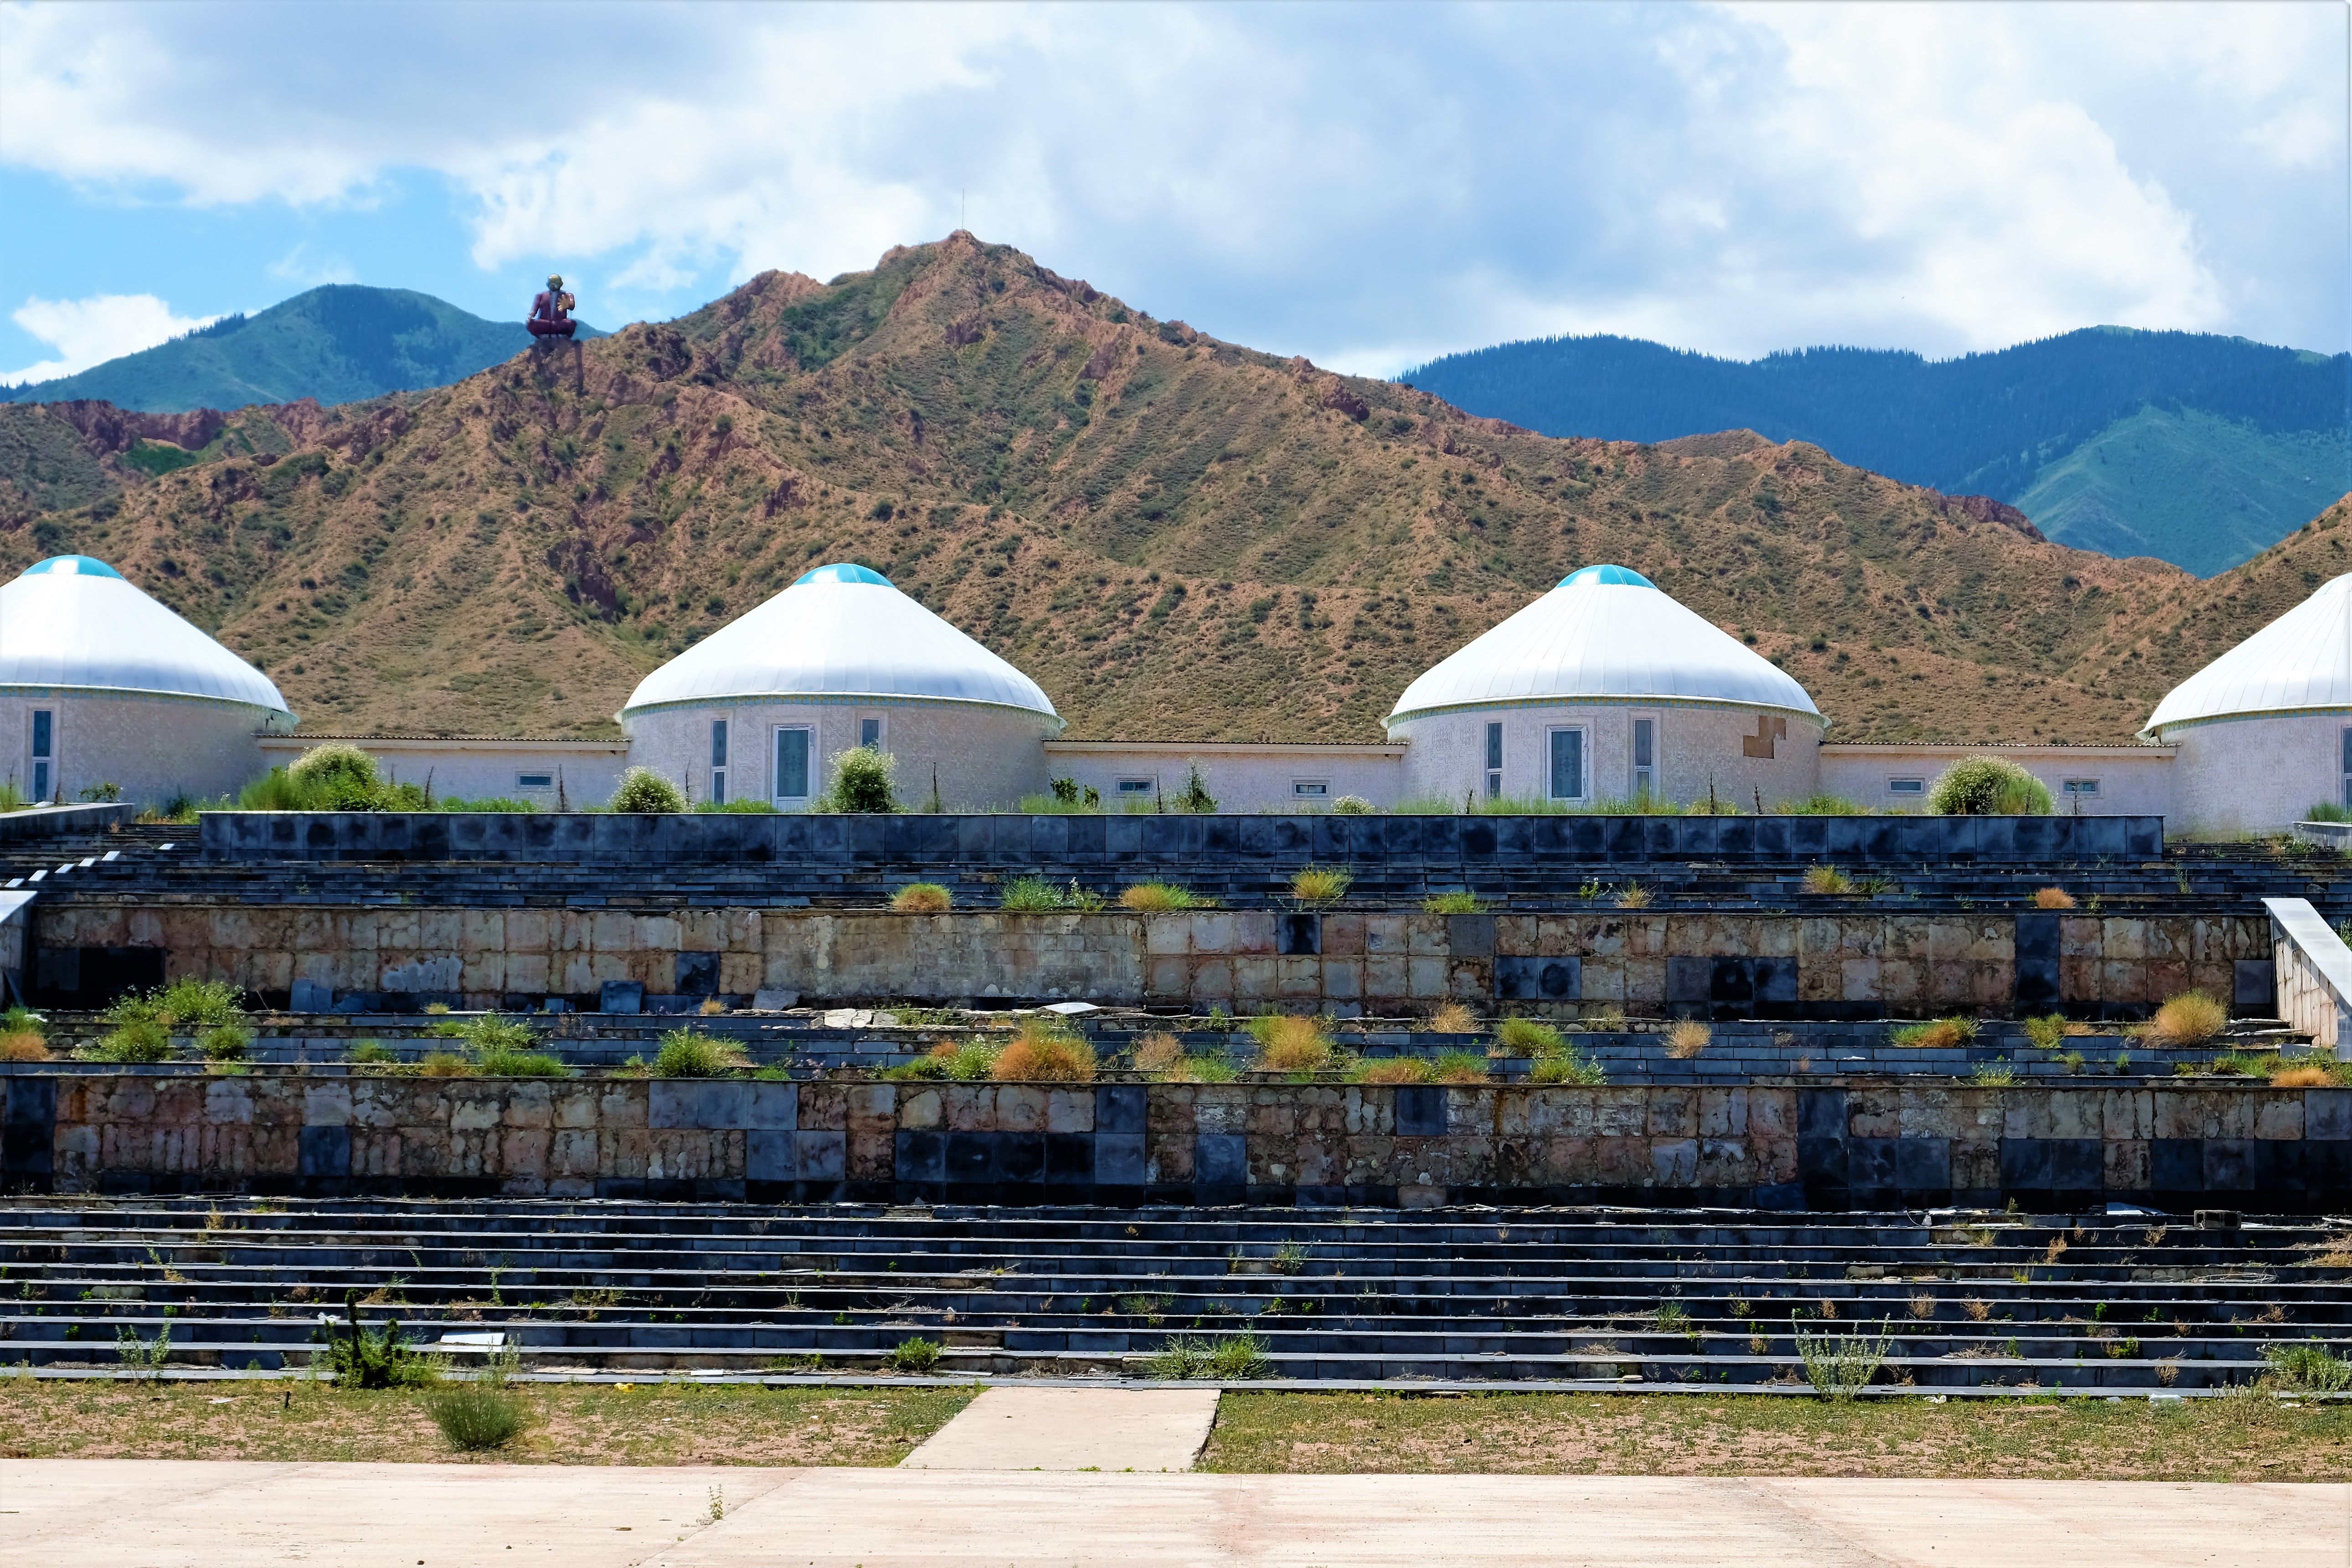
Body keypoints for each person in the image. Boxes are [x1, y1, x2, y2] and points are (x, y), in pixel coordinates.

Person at [528, 274, 577, 339]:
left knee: (571, 324)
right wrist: (531, 315)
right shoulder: (541, 296)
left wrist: (568, 305)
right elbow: (534, 310)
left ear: (561, 284)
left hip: (560, 323)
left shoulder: (567, 295)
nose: (553, 285)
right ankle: (544, 336)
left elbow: (572, 306)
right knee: (531, 324)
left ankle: (561, 336)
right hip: (545, 324)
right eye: (551, 283)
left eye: (555, 283)